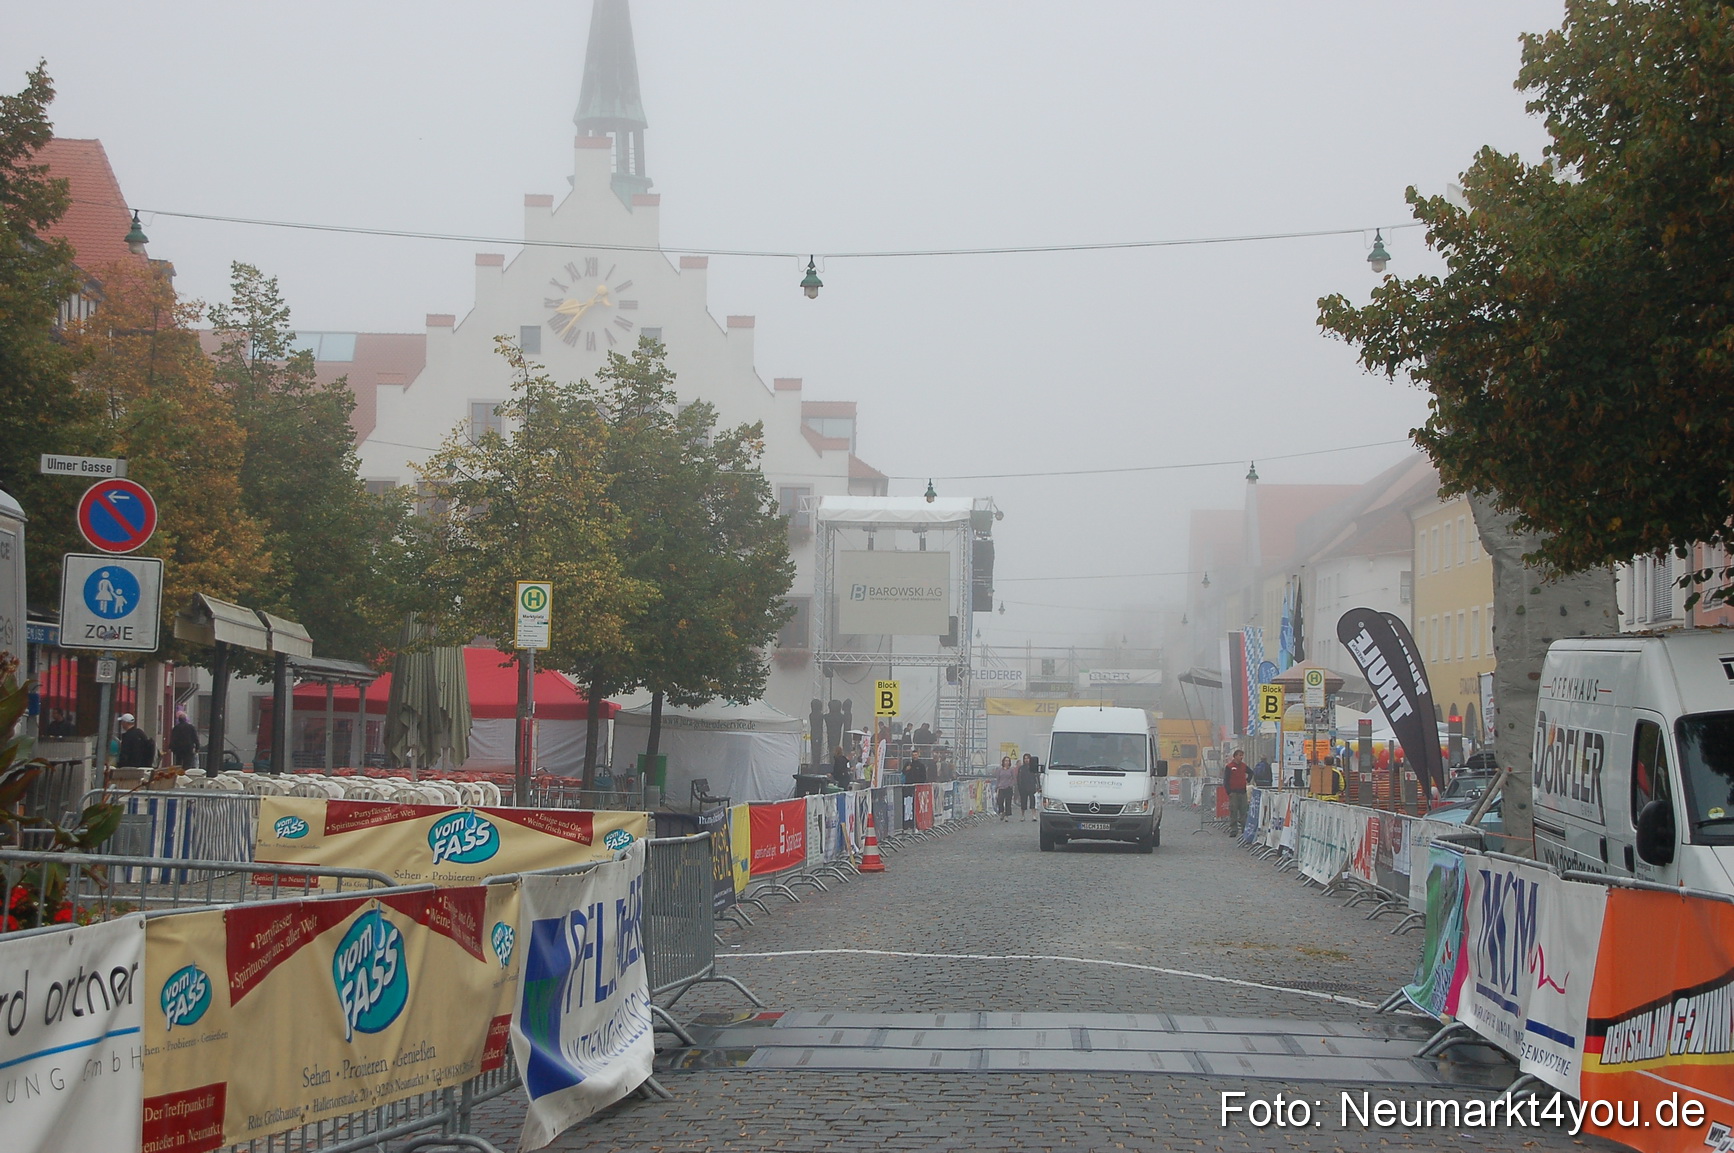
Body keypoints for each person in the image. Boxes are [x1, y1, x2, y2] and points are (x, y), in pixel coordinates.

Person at [1222, 748, 1249, 832]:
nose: (1241, 757)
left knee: (1243, 811)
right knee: (1233, 811)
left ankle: (1244, 829)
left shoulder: (1244, 766)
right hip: (1233, 793)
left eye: (1242, 755)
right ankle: (1234, 829)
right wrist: (1228, 792)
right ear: (1235, 756)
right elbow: (1226, 780)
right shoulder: (1229, 767)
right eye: (1240, 755)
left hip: (1242, 792)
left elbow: (1251, 772)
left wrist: (1247, 781)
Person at [1017, 754, 1042, 821]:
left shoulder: (1033, 767)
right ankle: (1022, 816)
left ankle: (1034, 815)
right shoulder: (1021, 768)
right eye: (1025, 758)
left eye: (1027, 758)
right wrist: (1019, 787)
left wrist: (1039, 786)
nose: (1026, 760)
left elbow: (1037, 777)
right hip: (1023, 787)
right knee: (1023, 802)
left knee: (1033, 802)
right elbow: (1019, 778)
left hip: (1032, 787)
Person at [994, 755, 1018, 822]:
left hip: (1008, 788)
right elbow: (998, 779)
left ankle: (1007, 815)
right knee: (1000, 801)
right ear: (1003, 762)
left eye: (1008, 761)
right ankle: (1001, 812)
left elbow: (1014, 779)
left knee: (1008, 802)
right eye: (1005, 761)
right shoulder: (999, 770)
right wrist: (997, 787)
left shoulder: (1011, 770)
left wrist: (1011, 785)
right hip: (1001, 787)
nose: (1006, 762)